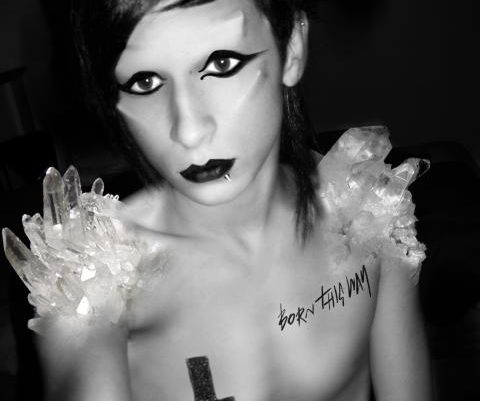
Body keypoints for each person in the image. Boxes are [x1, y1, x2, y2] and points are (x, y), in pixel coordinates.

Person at [3, 0, 432, 400]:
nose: (189, 130)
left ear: (291, 48)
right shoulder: (92, 281)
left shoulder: (369, 212)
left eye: (222, 63)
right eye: (145, 82)